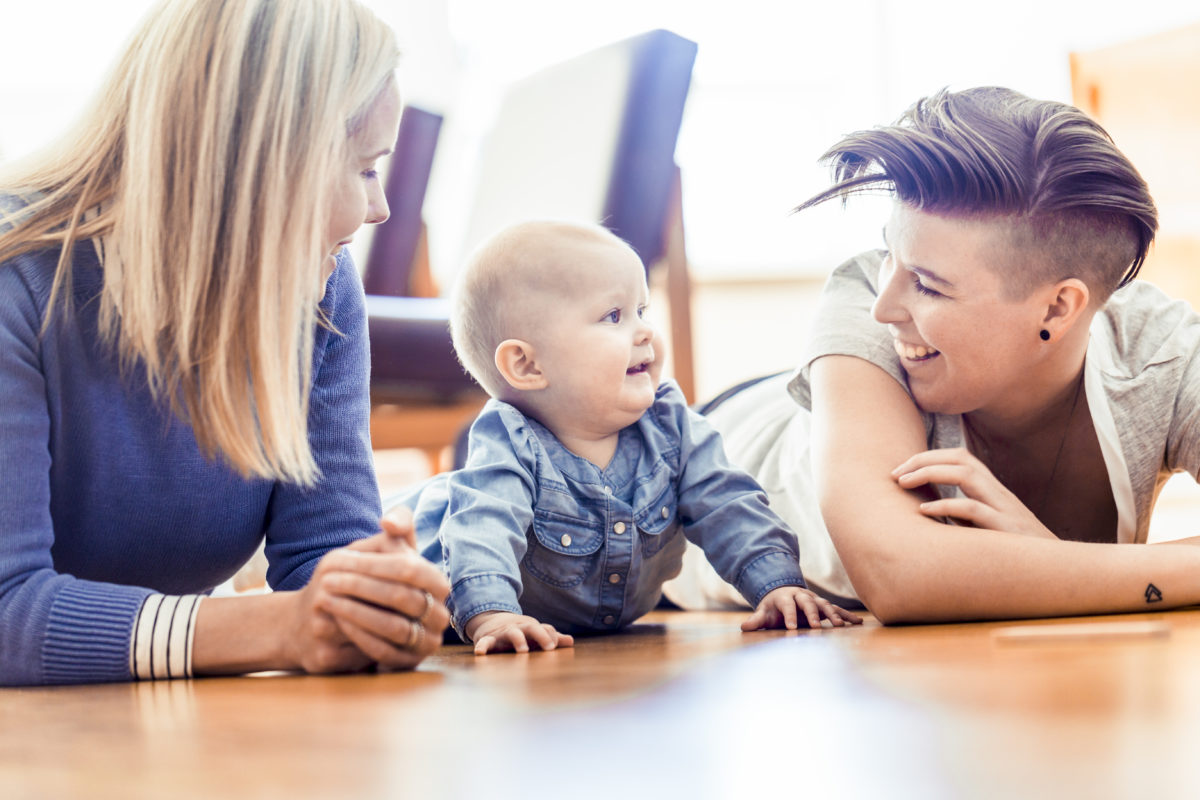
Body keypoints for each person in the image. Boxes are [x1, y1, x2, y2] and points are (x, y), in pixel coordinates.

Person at [0, 0, 451, 687]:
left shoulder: (320, 288)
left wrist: (377, 602)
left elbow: (326, 554)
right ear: (266, 166)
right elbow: (8, 613)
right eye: (364, 168)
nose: (379, 207)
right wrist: (278, 626)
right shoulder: (18, 276)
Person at [665, 85, 1200, 623]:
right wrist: (1060, 561)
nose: (884, 305)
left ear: (1059, 309)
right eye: (890, 256)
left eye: (928, 284)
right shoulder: (860, 304)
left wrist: (1043, 557)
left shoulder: (1164, 355)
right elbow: (900, 576)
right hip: (691, 464)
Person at [394, 220, 861, 655]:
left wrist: (778, 585)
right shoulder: (510, 442)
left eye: (641, 310)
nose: (644, 332)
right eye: (613, 316)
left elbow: (726, 503)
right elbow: (484, 530)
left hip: (578, 619)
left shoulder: (669, 425)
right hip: (422, 565)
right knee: (369, 554)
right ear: (527, 366)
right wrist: (492, 617)